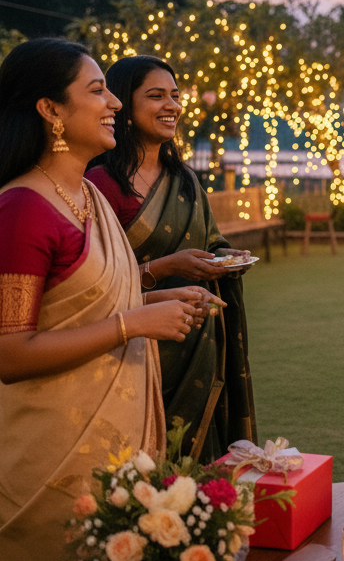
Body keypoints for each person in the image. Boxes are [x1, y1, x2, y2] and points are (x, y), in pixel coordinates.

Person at [0, 39, 204, 559]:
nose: (114, 103)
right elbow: (10, 353)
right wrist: (131, 324)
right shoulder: (23, 209)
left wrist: (154, 288)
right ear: (50, 110)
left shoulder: (88, 196)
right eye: (97, 91)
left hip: (114, 457)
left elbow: (92, 289)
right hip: (49, 463)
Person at [87, 55, 257, 462]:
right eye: (156, 95)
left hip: (197, 335)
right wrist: (165, 268)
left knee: (198, 455)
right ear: (123, 104)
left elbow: (209, 241)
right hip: (132, 343)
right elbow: (93, 283)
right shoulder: (100, 184)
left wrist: (224, 257)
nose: (172, 106)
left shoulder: (185, 179)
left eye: (176, 96)